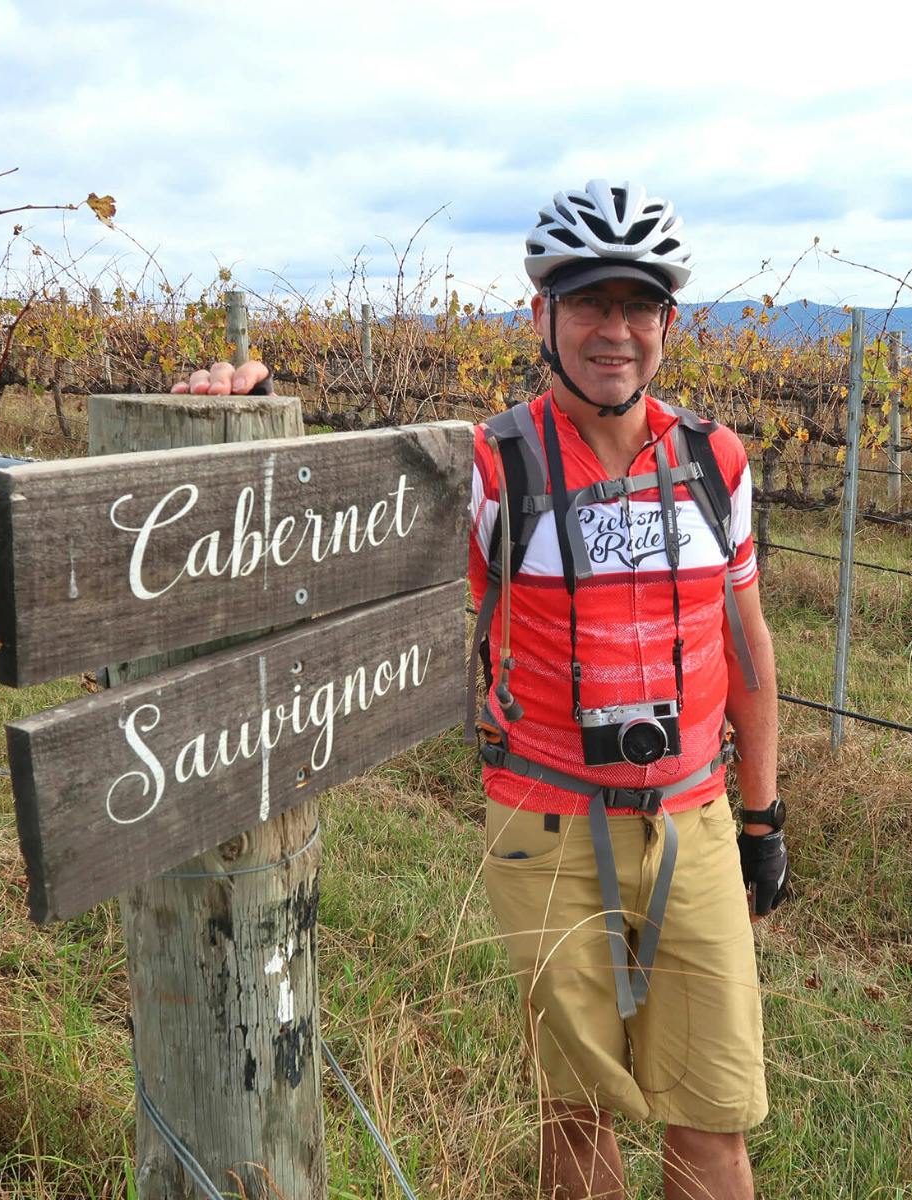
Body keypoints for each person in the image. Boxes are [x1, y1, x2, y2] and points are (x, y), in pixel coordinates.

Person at [175, 179, 788, 1200]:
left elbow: (749, 652)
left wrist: (762, 819)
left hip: (698, 823)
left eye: (639, 306)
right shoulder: (493, 467)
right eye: (590, 301)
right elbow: (323, 538)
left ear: (668, 323)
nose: (615, 330)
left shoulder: (713, 461)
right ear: (543, 315)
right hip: (543, 828)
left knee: (712, 1125)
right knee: (577, 1119)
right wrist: (233, 439)